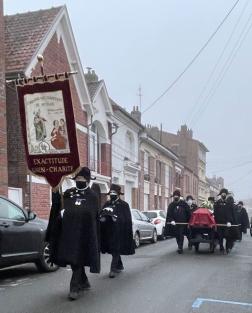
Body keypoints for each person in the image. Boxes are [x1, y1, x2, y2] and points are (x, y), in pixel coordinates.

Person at [46, 167, 100, 300]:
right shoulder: (68, 193)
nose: (79, 181)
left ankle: (74, 287)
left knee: (78, 257)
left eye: (82, 179)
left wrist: (71, 213)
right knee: (72, 258)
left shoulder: (92, 196)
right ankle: (84, 281)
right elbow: (57, 205)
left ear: (87, 181)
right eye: (77, 179)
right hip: (68, 233)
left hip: (83, 234)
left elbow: (91, 214)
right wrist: (55, 193)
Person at [100, 184, 135, 278]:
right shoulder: (107, 204)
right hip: (108, 232)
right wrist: (102, 218)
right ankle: (119, 264)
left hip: (119, 232)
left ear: (118, 194)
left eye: (114, 193)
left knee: (115, 249)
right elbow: (101, 214)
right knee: (112, 250)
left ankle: (113, 269)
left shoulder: (124, 205)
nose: (112, 194)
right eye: (111, 192)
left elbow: (127, 219)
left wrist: (117, 219)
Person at [214, 189, 237, 254]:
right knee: (220, 236)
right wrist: (215, 221)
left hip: (227, 223)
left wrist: (230, 221)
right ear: (220, 195)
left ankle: (227, 247)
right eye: (222, 194)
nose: (223, 195)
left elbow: (231, 213)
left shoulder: (229, 203)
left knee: (227, 235)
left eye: (224, 194)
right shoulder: (217, 203)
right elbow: (215, 213)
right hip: (219, 223)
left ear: (226, 195)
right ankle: (221, 247)